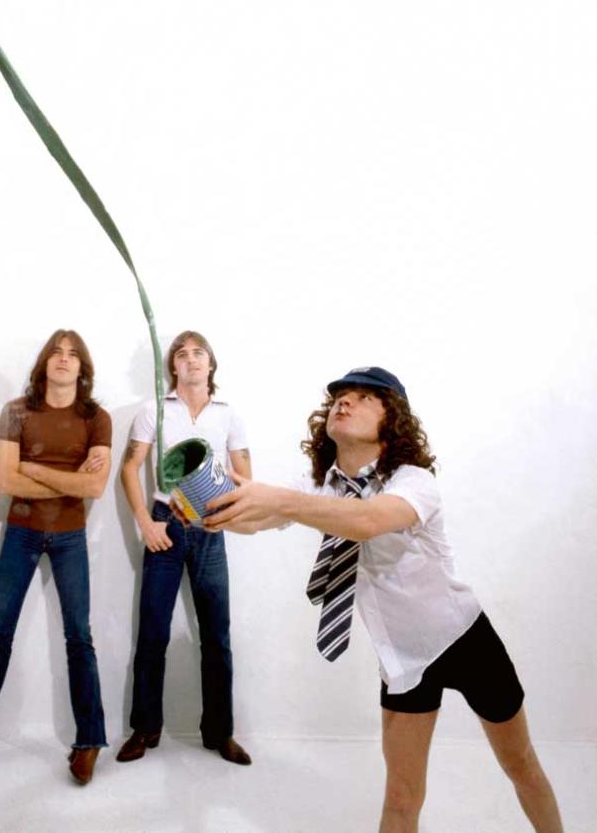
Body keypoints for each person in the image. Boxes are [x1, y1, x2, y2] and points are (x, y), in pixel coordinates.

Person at [204, 366, 563, 833]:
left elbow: (369, 520)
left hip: (466, 641)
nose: (343, 403)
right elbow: (254, 519)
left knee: (521, 765)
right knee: (400, 795)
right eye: (338, 397)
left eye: (362, 397)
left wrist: (280, 501)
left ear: (391, 419)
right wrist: (201, 512)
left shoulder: (414, 481)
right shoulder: (322, 485)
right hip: (403, 659)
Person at [0, 329, 111, 785]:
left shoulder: (96, 417)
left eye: (73, 355)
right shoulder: (16, 412)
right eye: (56, 353)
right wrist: (65, 478)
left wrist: (29, 465)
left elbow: (95, 488)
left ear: (82, 368)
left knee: (79, 638)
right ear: (44, 363)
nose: (63, 360)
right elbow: (6, 483)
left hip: (70, 537)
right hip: (21, 534)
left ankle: (88, 743)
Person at [116, 330, 253, 767]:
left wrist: (218, 499)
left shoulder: (228, 415)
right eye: (182, 354)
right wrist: (146, 523)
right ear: (172, 366)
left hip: (210, 528)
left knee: (216, 636)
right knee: (153, 632)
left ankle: (220, 732)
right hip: (165, 527)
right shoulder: (154, 411)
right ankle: (145, 729)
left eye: (199, 354)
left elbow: (246, 477)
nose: (191, 360)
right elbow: (130, 468)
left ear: (211, 365)